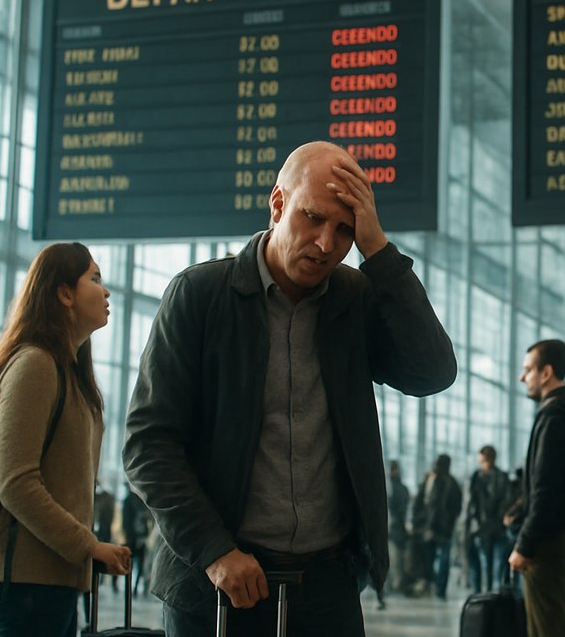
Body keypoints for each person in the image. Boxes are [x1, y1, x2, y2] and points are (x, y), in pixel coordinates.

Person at [123, 141, 457, 636]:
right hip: (216, 585)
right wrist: (213, 550)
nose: (326, 244)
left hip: (327, 588)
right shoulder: (201, 295)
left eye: (345, 230)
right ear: (278, 203)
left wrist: (379, 253)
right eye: (313, 218)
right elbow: (148, 444)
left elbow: (432, 372)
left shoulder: (353, 299)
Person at [0, 243, 131, 635]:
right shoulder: (35, 365)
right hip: (23, 582)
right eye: (94, 278)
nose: (106, 291)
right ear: (63, 294)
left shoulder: (68, 373)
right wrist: (89, 545)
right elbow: (16, 484)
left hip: (50, 580)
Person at [509, 339, 565, 636]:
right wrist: (520, 508)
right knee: (551, 616)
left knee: (546, 625)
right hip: (564, 530)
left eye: (528, 370)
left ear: (547, 372)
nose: (522, 377)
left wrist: (524, 544)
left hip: (549, 537)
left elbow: (547, 489)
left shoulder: (554, 415)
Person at [410, 454, 462, 600]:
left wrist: (419, 522)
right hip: (442, 529)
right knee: (440, 560)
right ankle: (439, 589)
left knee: (431, 559)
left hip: (432, 528)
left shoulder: (431, 480)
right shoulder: (452, 483)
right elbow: (456, 507)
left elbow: (421, 502)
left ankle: (433, 586)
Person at [466, 445, 510, 595]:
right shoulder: (476, 477)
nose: (481, 465)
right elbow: (471, 503)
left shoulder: (500, 477)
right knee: (483, 563)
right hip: (481, 527)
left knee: (496, 565)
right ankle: (484, 594)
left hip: (496, 527)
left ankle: (492, 594)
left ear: (491, 459)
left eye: (483, 461)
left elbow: (505, 501)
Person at [385, 460, 411, 597]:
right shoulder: (400, 488)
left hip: (393, 530)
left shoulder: (390, 488)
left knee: (394, 560)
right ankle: (396, 585)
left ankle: (393, 585)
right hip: (396, 530)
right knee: (396, 560)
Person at [121, 484, 151, 596]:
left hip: (141, 537)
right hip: (132, 537)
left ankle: (134, 589)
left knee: (140, 564)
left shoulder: (142, 500)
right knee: (128, 563)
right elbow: (126, 520)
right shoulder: (129, 500)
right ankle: (129, 588)